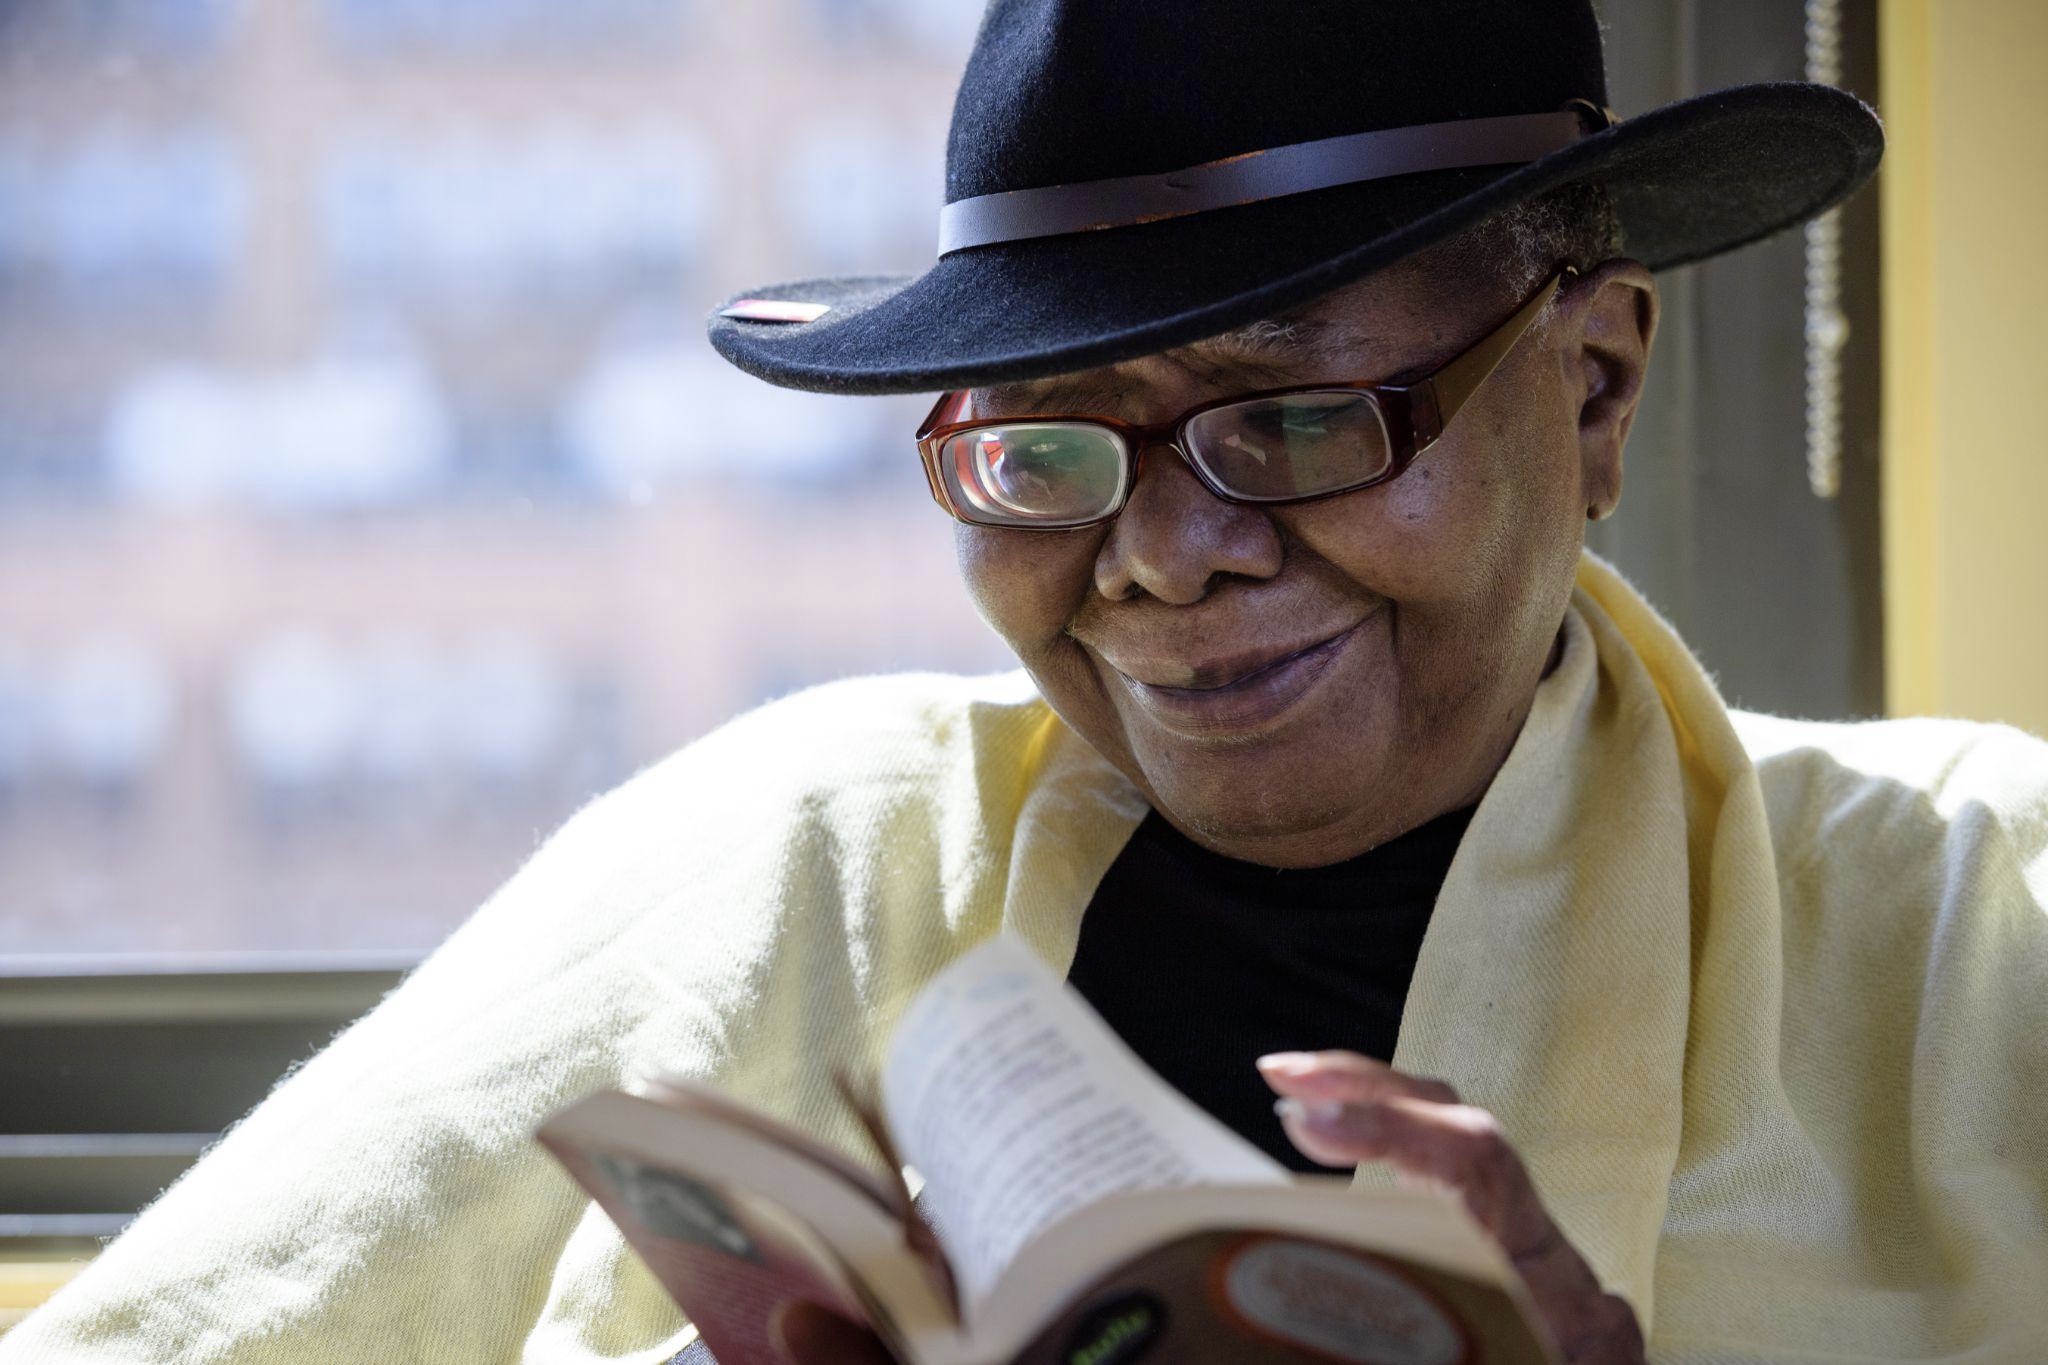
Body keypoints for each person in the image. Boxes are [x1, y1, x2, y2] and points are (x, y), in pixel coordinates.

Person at [7, 2, 2045, 1363]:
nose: (1162, 552)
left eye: (1297, 418)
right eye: (1041, 451)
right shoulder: (789, 861)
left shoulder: (1976, 923)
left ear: (1594, 386)